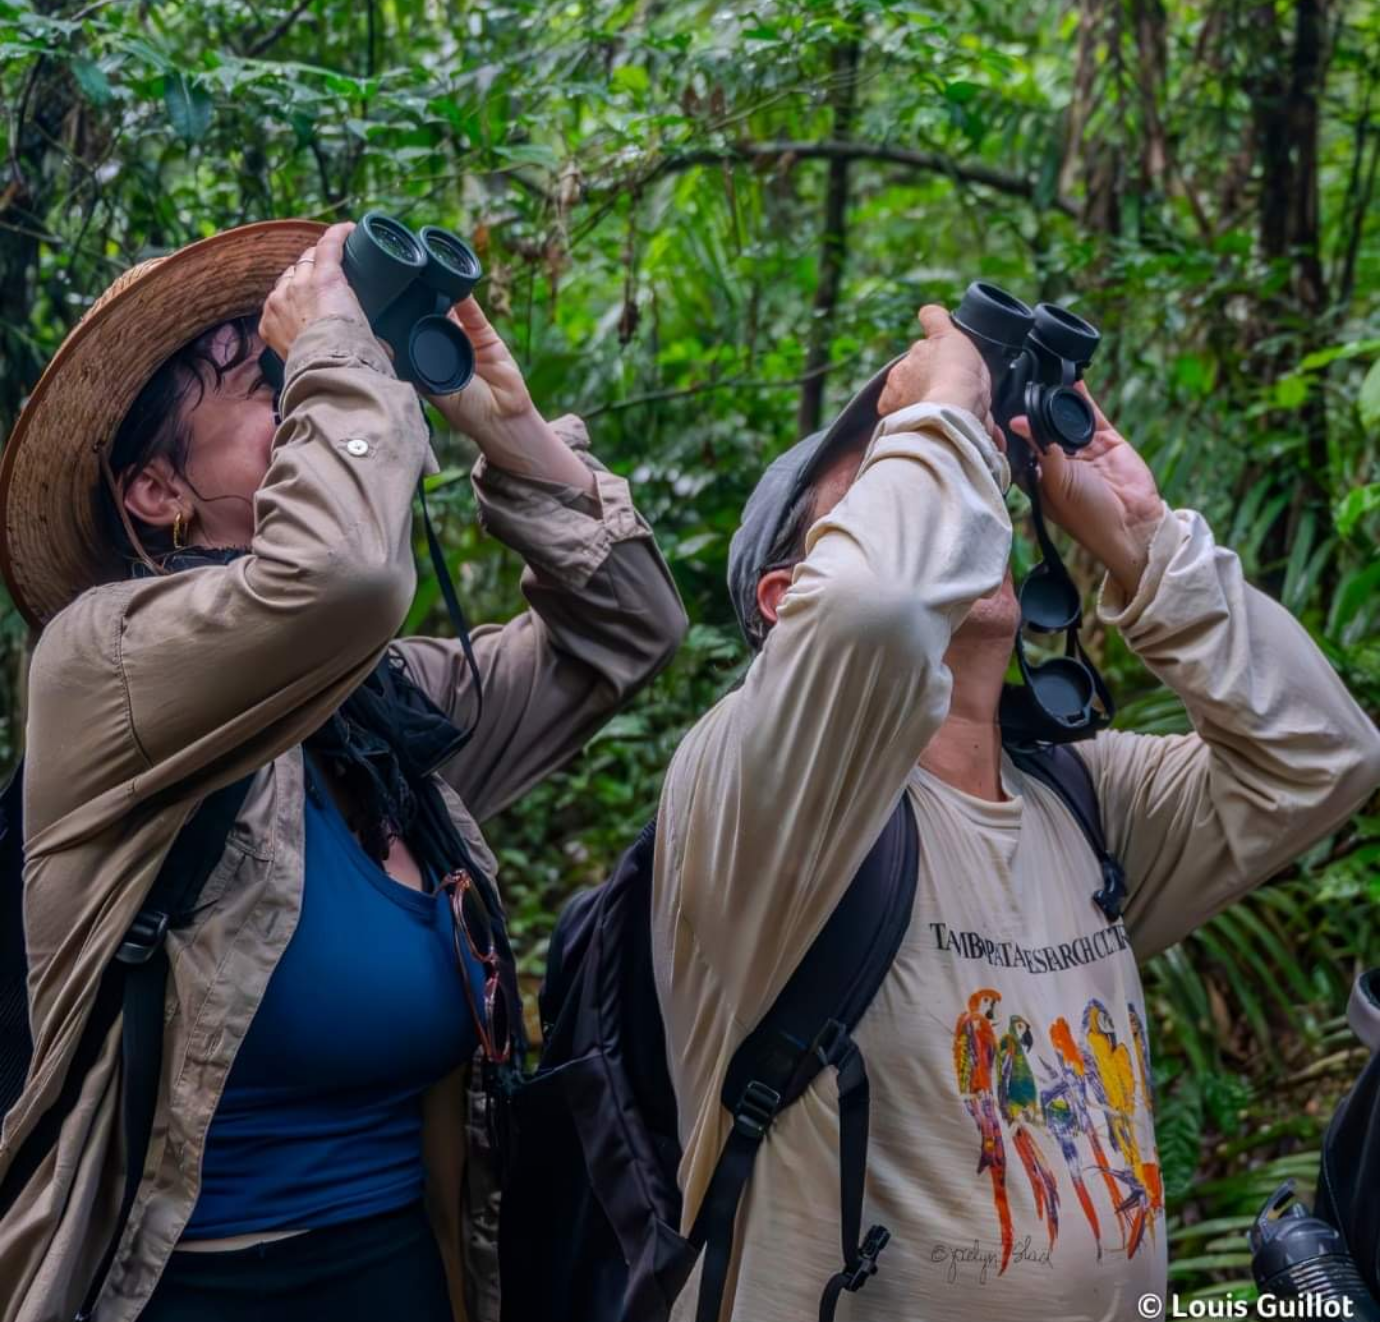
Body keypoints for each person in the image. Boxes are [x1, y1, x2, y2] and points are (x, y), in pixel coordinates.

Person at [0, 219, 686, 1322]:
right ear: (155, 493)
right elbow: (346, 572)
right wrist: (339, 344)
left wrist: (512, 432)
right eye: (265, 386)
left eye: (294, 367)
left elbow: (630, 628)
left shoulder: (386, 711)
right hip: (180, 1290)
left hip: (400, 1272)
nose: (305, 385)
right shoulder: (103, 663)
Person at [649, 304, 1380, 1321]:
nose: (965, 492)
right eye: (897, 467)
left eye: (963, 463)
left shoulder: (1081, 801)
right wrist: (941, 397)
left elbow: (1324, 755)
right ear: (785, 596)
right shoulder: (761, 795)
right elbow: (869, 611)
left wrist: (1144, 542)